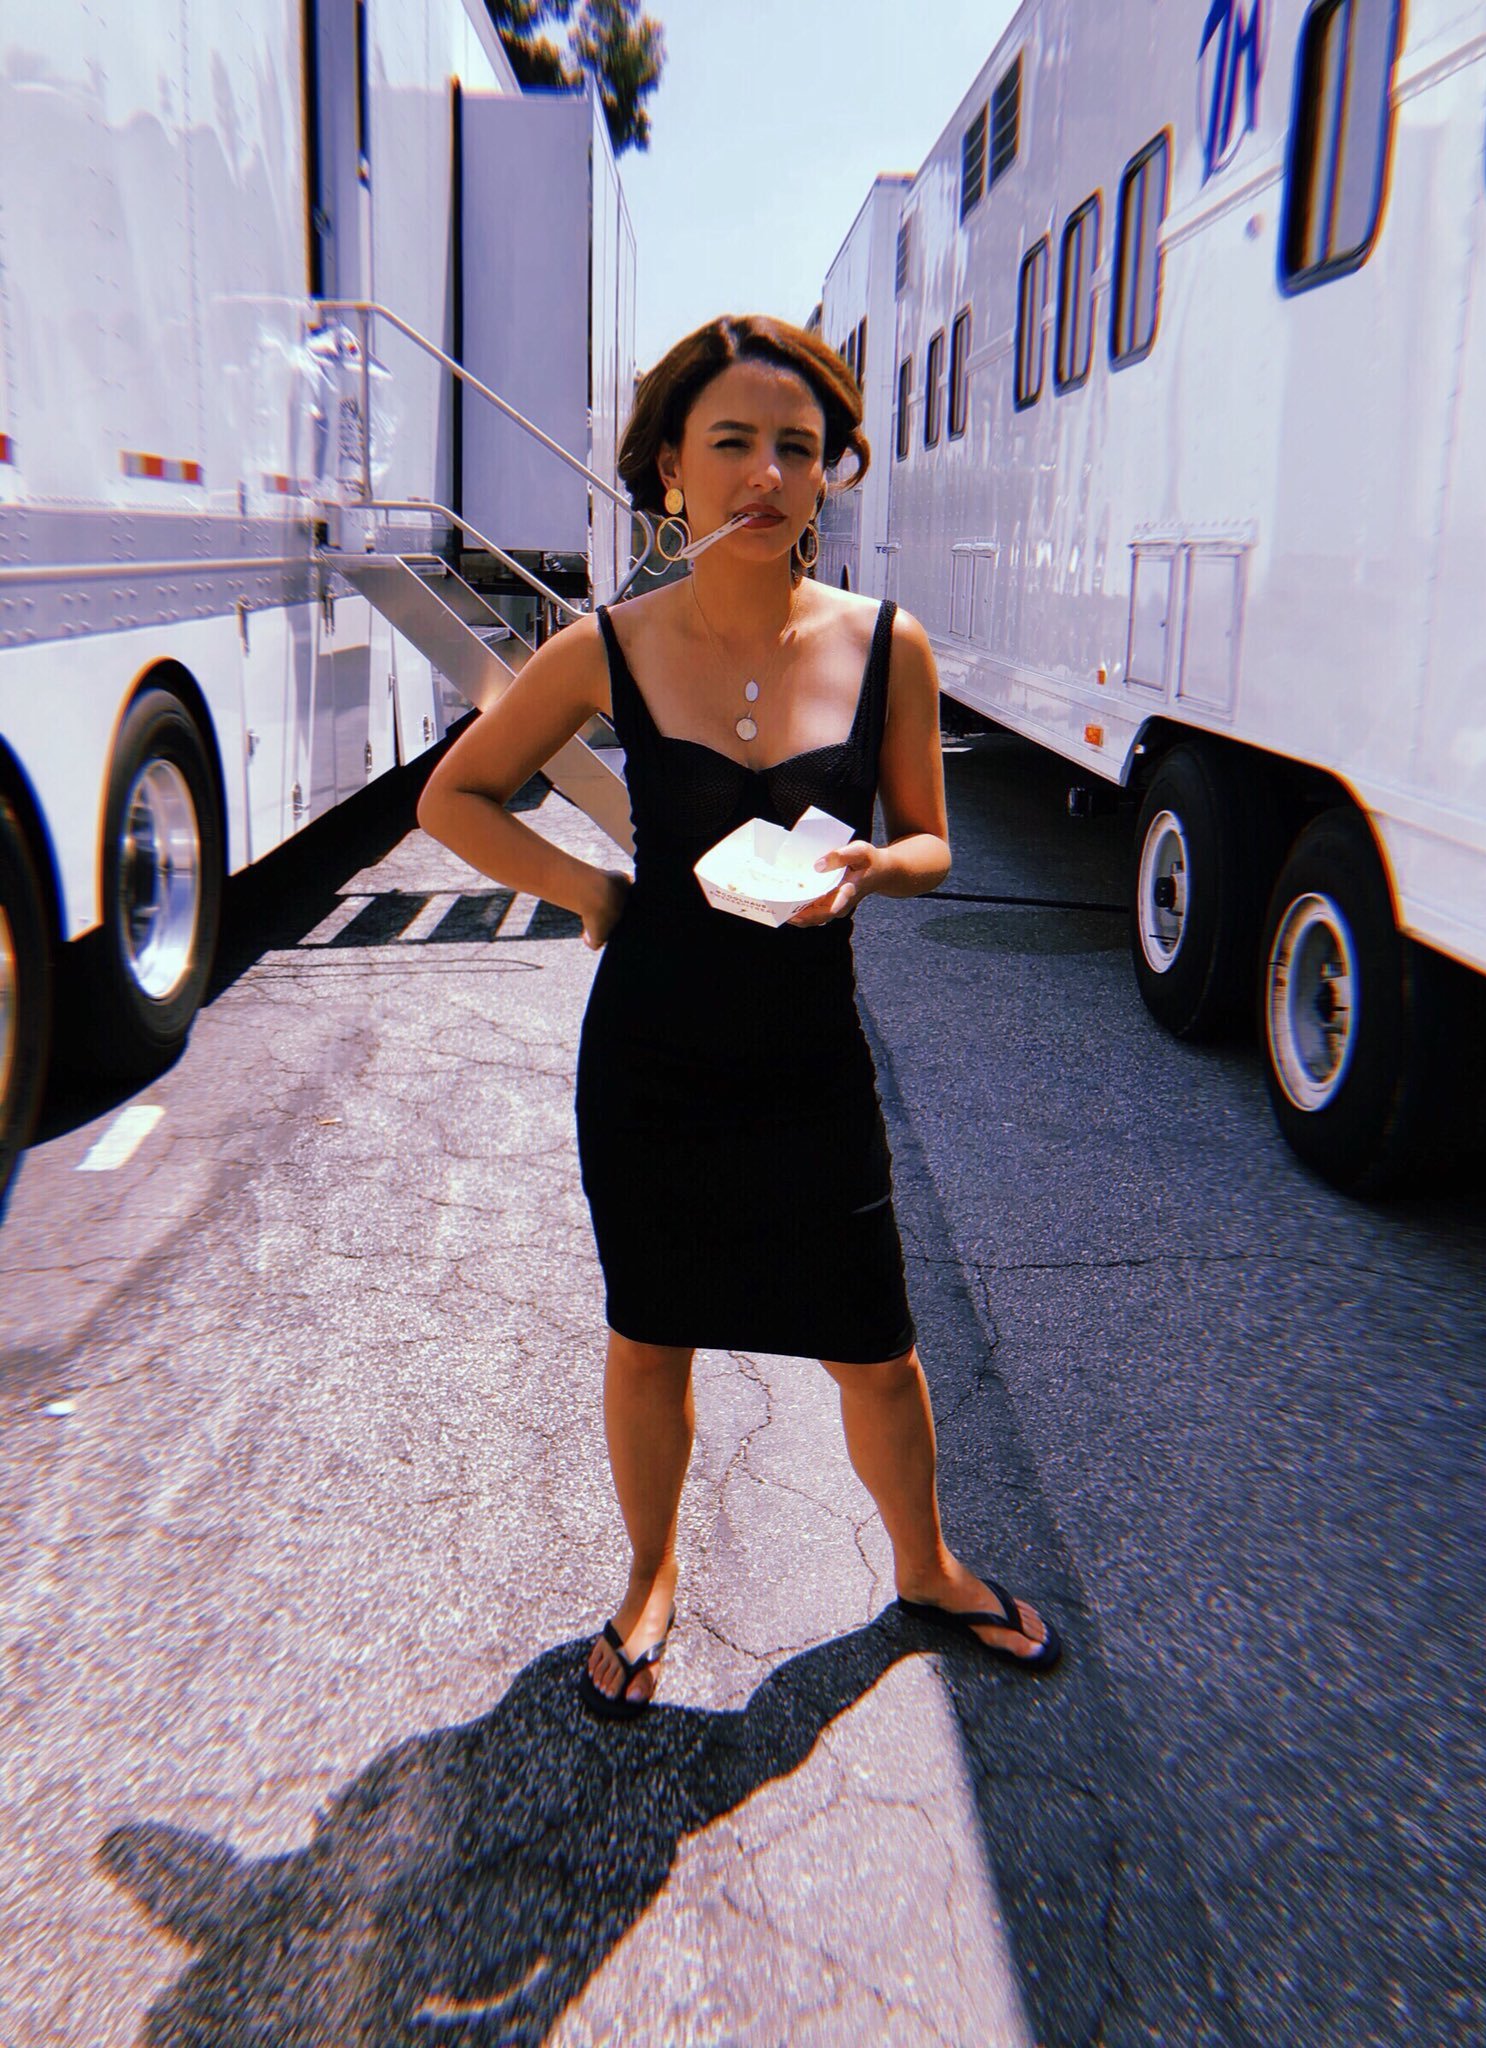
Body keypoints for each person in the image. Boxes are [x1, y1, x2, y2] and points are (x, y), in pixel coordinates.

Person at [418, 315, 1060, 1717]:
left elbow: (932, 841)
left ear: (828, 474)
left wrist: (875, 869)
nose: (767, 473)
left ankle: (927, 1566)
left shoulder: (887, 645)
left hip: (810, 1060)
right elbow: (452, 797)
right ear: (672, 470)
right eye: (733, 444)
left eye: (797, 448)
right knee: (652, 1334)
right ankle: (651, 1577)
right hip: (651, 1060)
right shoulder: (608, 647)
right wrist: (591, 890)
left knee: (876, 1349)